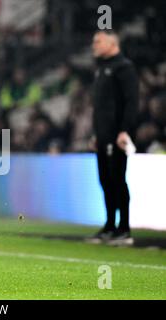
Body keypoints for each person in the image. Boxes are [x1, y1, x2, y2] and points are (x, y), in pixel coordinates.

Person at [88, 30, 139, 246]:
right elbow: (100, 107)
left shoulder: (124, 68)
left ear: (112, 43)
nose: (94, 45)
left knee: (117, 179)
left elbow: (131, 101)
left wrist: (125, 130)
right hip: (103, 135)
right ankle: (110, 226)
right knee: (105, 180)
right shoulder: (102, 68)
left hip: (117, 135)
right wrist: (96, 133)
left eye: (98, 41)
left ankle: (124, 229)